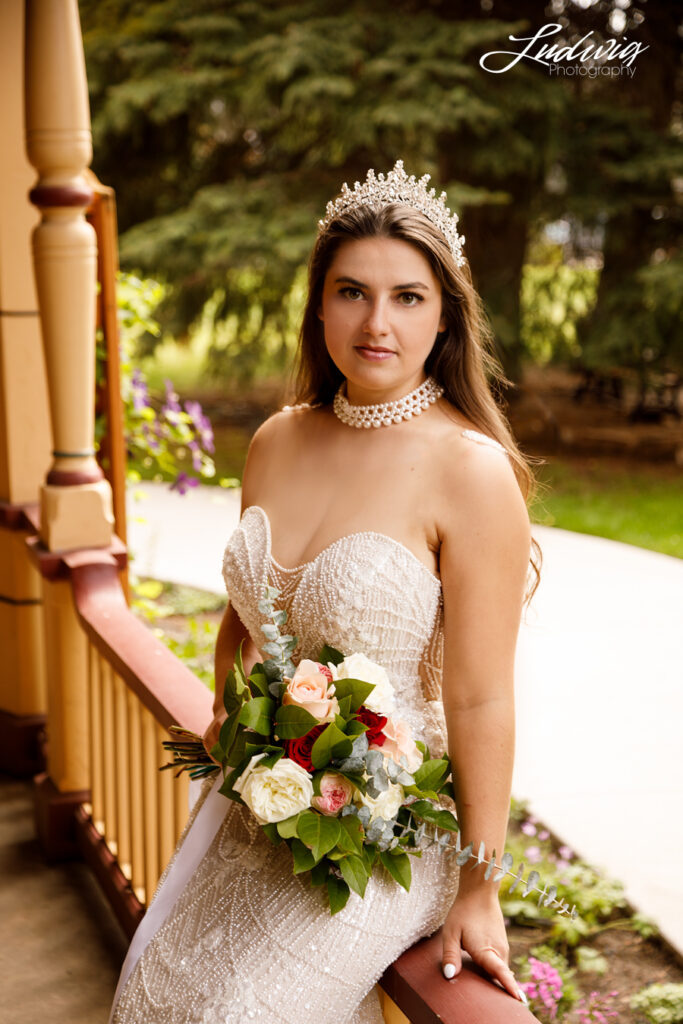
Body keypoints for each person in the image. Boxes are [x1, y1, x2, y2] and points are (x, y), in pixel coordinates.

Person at [109, 160, 540, 1023]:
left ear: (446, 312)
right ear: (318, 303)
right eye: (352, 291)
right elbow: (246, 609)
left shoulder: (471, 472)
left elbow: (483, 698)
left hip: (392, 833)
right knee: (153, 998)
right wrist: (235, 718)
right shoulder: (275, 440)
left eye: (408, 296)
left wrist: (479, 889)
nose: (376, 322)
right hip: (266, 808)